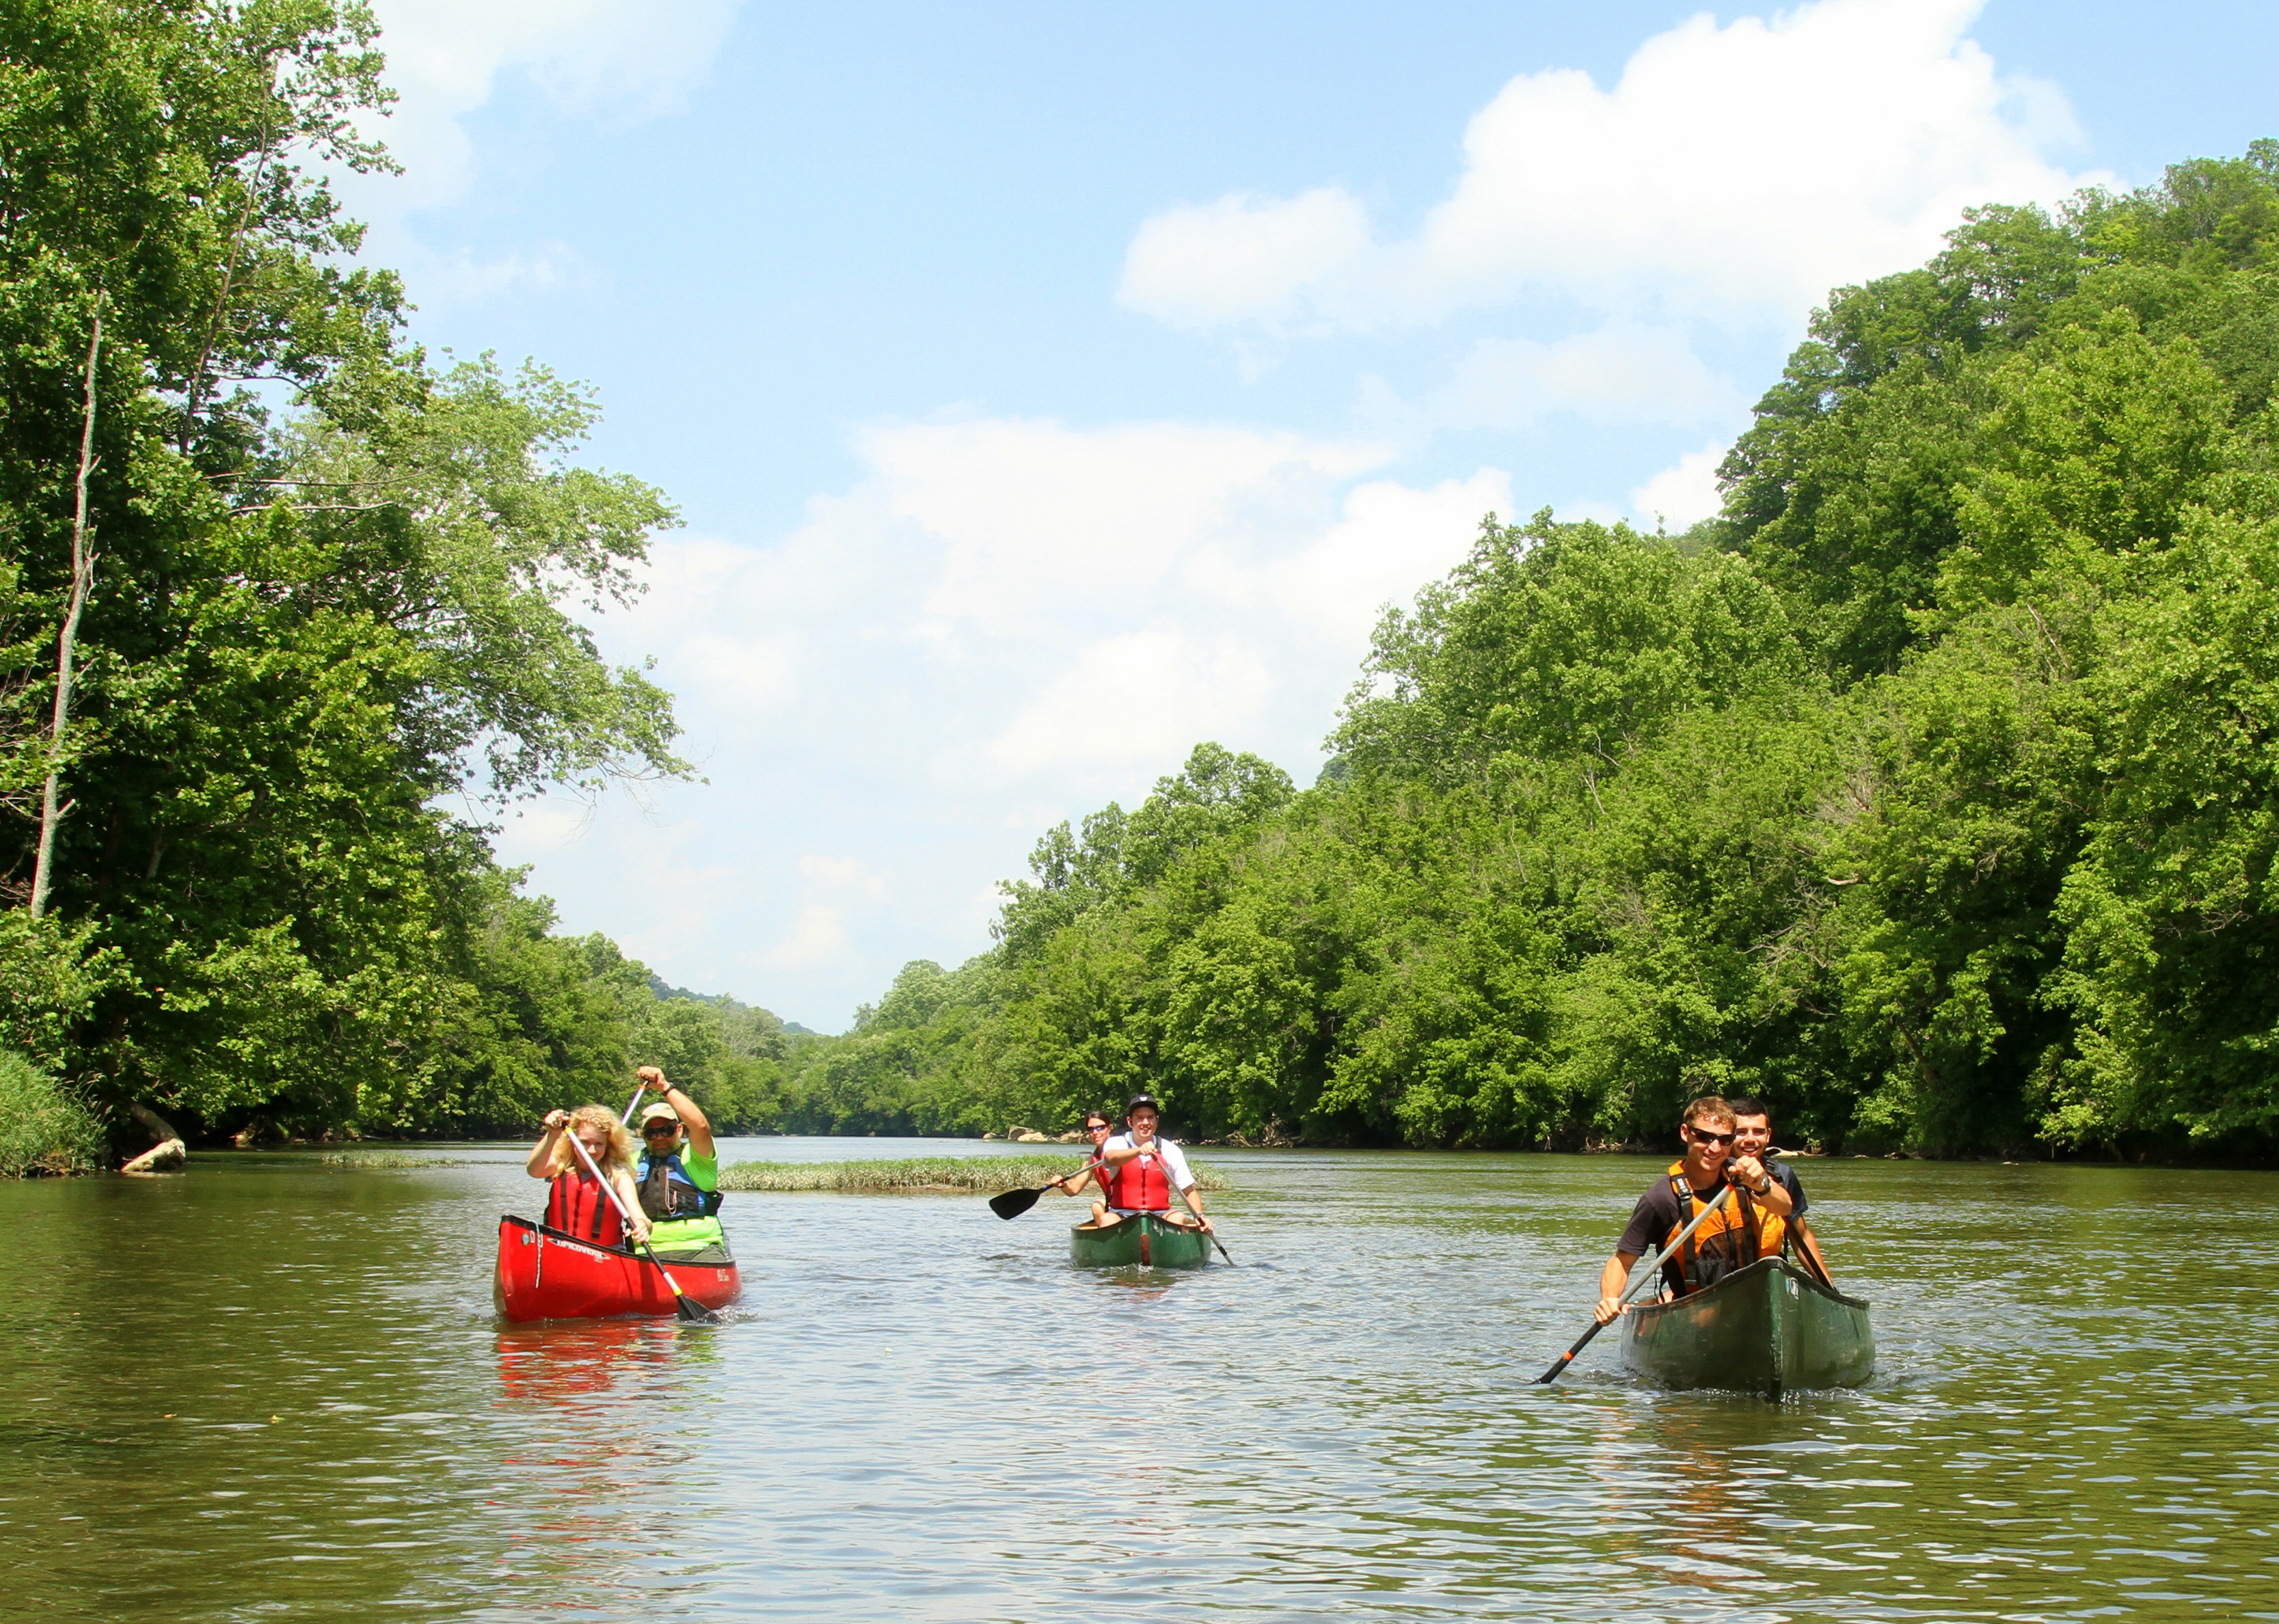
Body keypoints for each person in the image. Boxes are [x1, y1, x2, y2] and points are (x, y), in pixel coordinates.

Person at [1593, 1094, 1790, 1325]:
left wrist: (1762, 1184)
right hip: (1696, 1317)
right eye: (1705, 1137)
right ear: (1686, 1133)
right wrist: (1609, 1299)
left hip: (1753, 1305)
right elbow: (1622, 1262)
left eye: (1725, 1140)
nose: (1715, 1148)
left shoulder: (1741, 1175)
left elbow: (1784, 1207)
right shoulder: (1660, 1199)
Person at [1728, 1094, 1833, 1283]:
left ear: (1768, 1135)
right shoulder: (1712, 1173)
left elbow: (1801, 1235)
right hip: (1722, 1279)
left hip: (1768, 1276)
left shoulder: (1783, 1175)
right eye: (1741, 1132)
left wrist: (1829, 1287)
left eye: (1758, 1132)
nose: (1750, 1139)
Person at [630, 1066, 725, 1256]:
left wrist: (664, 1087)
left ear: (679, 1130)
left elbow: (701, 1126)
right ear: (643, 1135)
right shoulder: (631, 1162)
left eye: (667, 1130)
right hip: (644, 1250)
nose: (659, 1138)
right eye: (651, 1133)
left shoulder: (695, 1157)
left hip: (698, 1248)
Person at [527, 1103, 649, 1249]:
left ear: (608, 1146)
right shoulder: (560, 1166)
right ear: (571, 1141)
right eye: (584, 1142)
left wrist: (642, 1226)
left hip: (605, 1253)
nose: (591, 1151)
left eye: (599, 1144)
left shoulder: (618, 1176)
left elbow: (640, 1217)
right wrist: (552, 1134)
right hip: (558, 1249)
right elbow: (534, 1170)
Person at [1094, 1095, 1212, 1233]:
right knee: (1107, 1219)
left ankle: (1167, 1249)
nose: (1146, 1122)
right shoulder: (1116, 1143)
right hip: (1121, 1213)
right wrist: (1137, 1151)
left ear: (1157, 1121)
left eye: (1150, 1118)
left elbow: (1189, 1191)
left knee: (1178, 1217)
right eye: (1139, 1118)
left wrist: (1199, 1216)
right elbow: (1111, 1158)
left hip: (1160, 1213)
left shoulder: (1171, 1150)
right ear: (1130, 1122)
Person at [1044, 1111, 1115, 1208]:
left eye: (1100, 1128)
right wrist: (1062, 1184)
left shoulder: (1125, 1150)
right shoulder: (1091, 1161)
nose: (1095, 1133)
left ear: (1109, 1128)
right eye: (1090, 1129)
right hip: (1114, 1208)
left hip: (1134, 1206)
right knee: (1097, 1207)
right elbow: (1073, 1190)